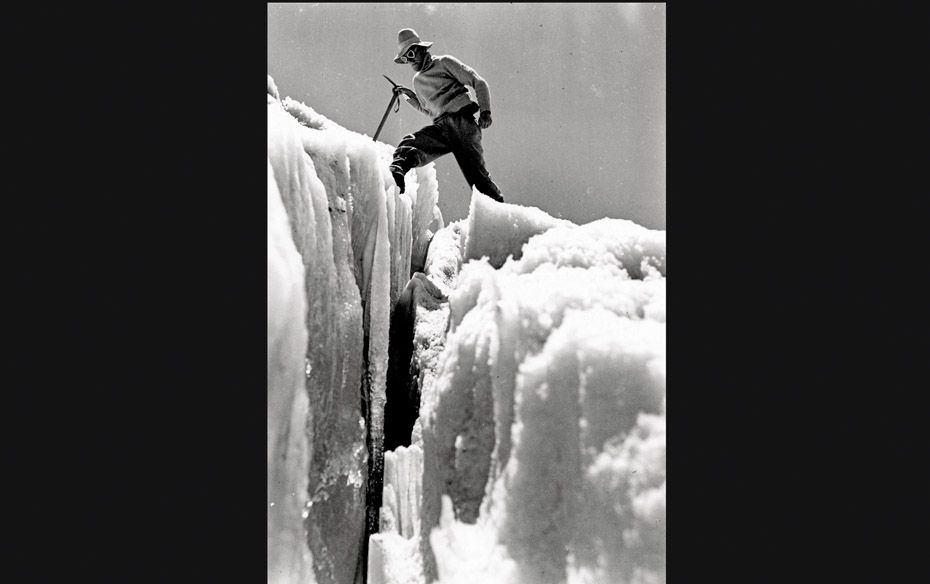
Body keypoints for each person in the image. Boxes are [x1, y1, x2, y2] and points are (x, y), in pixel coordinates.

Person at [388, 28, 504, 202]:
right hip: (441, 127)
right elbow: (427, 109)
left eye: (411, 54)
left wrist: (485, 110)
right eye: (405, 59)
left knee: (476, 178)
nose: (410, 61)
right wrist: (407, 95)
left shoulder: (443, 63)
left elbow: (478, 81)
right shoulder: (417, 82)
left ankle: (496, 211)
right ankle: (398, 170)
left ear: (422, 49)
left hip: (461, 122)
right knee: (411, 143)